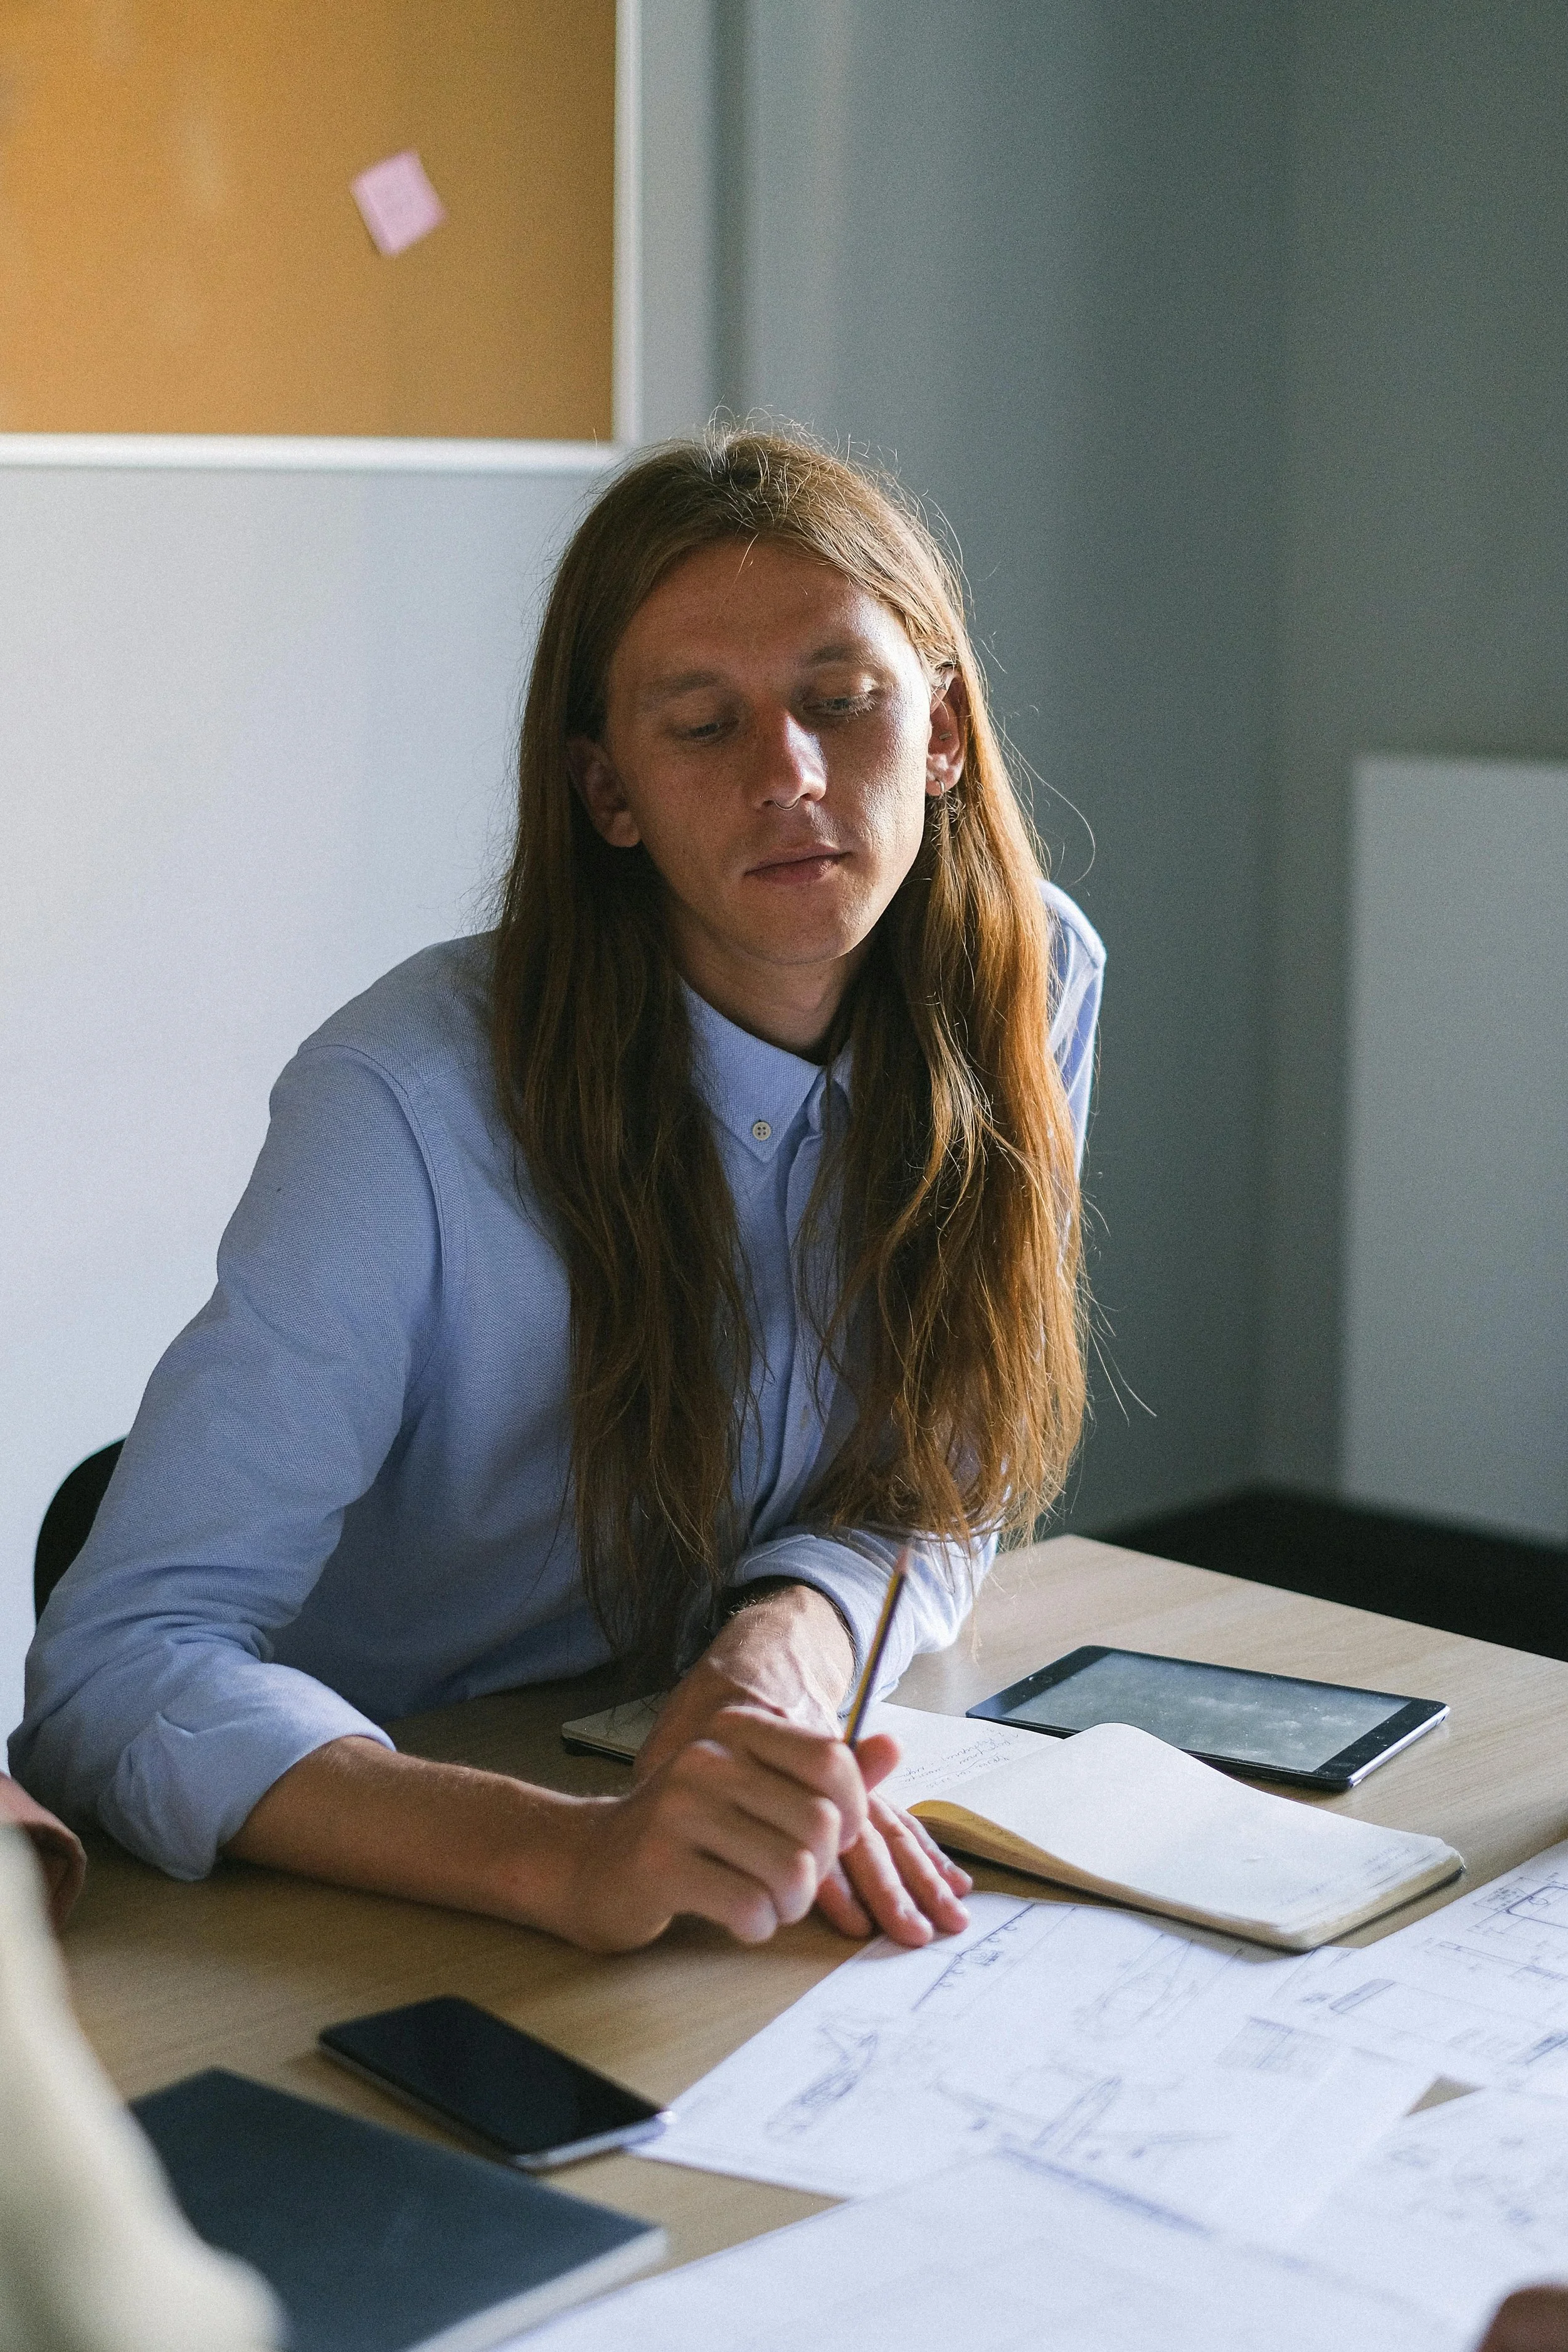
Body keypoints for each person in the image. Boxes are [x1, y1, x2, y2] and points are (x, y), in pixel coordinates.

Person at [13, 429, 1104, 1956]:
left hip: (699, 1811)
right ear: (607, 791)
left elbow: (940, 1471)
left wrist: (780, 1646)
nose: (789, 774)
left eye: (841, 701)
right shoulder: (403, 1101)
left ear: (938, 727)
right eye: (701, 724)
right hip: (386, 1843)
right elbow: (112, 1669)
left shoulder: (1025, 979)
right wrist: (563, 1858)